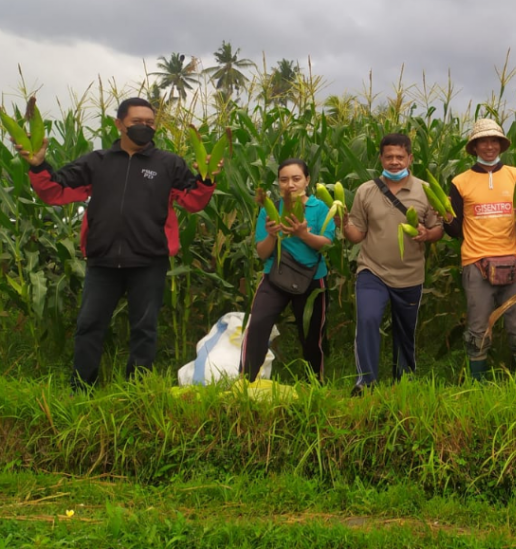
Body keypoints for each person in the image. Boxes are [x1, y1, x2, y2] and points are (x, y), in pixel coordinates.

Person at [19, 97, 217, 390]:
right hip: (103, 259)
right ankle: (81, 388)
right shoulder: (96, 162)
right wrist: (38, 166)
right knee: (89, 326)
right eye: (138, 122)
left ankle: (137, 389)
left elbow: (193, 201)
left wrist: (206, 178)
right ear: (119, 124)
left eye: (150, 123)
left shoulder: (169, 164)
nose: (145, 127)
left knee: (144, 329)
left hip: (149, 260)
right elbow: (55, 191)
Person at [342, 133, 443, 396]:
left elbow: (437, 230)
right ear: (381, 159)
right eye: (389, 157)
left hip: (410, 274)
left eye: (400, 157)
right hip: (372, 270)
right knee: (367, 318)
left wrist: (426, 234)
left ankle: (404, 383)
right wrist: (343, 225)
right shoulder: (366, 190)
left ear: (410, 158)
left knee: (405, 331)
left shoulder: (425, 191)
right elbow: (357, 235)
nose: (395, 162)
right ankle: (366, 383)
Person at [444, 118, 516, 380]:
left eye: (494, 140)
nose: (489, 146)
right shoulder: (460, 182)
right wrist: (445, 217)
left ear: (501, 145)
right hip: (476, 262)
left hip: (513, 261)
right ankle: (478, 384)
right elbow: (454, 230)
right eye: (483, 141)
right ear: (474, 146)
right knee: (478, 328)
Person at [239, 158, 334, 383]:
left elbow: (328, 244)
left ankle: (315, 384)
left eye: (296, 179)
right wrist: (272, 234)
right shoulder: (271, 210)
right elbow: (262, 253)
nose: (290, 184)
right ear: (278, 183)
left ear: (307, 180)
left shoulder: (319, 208)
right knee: (258, 324)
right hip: (275, 274)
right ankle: (246, 381)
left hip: (311, 278)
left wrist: (304, 234)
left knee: (311, 335)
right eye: (284, 180)